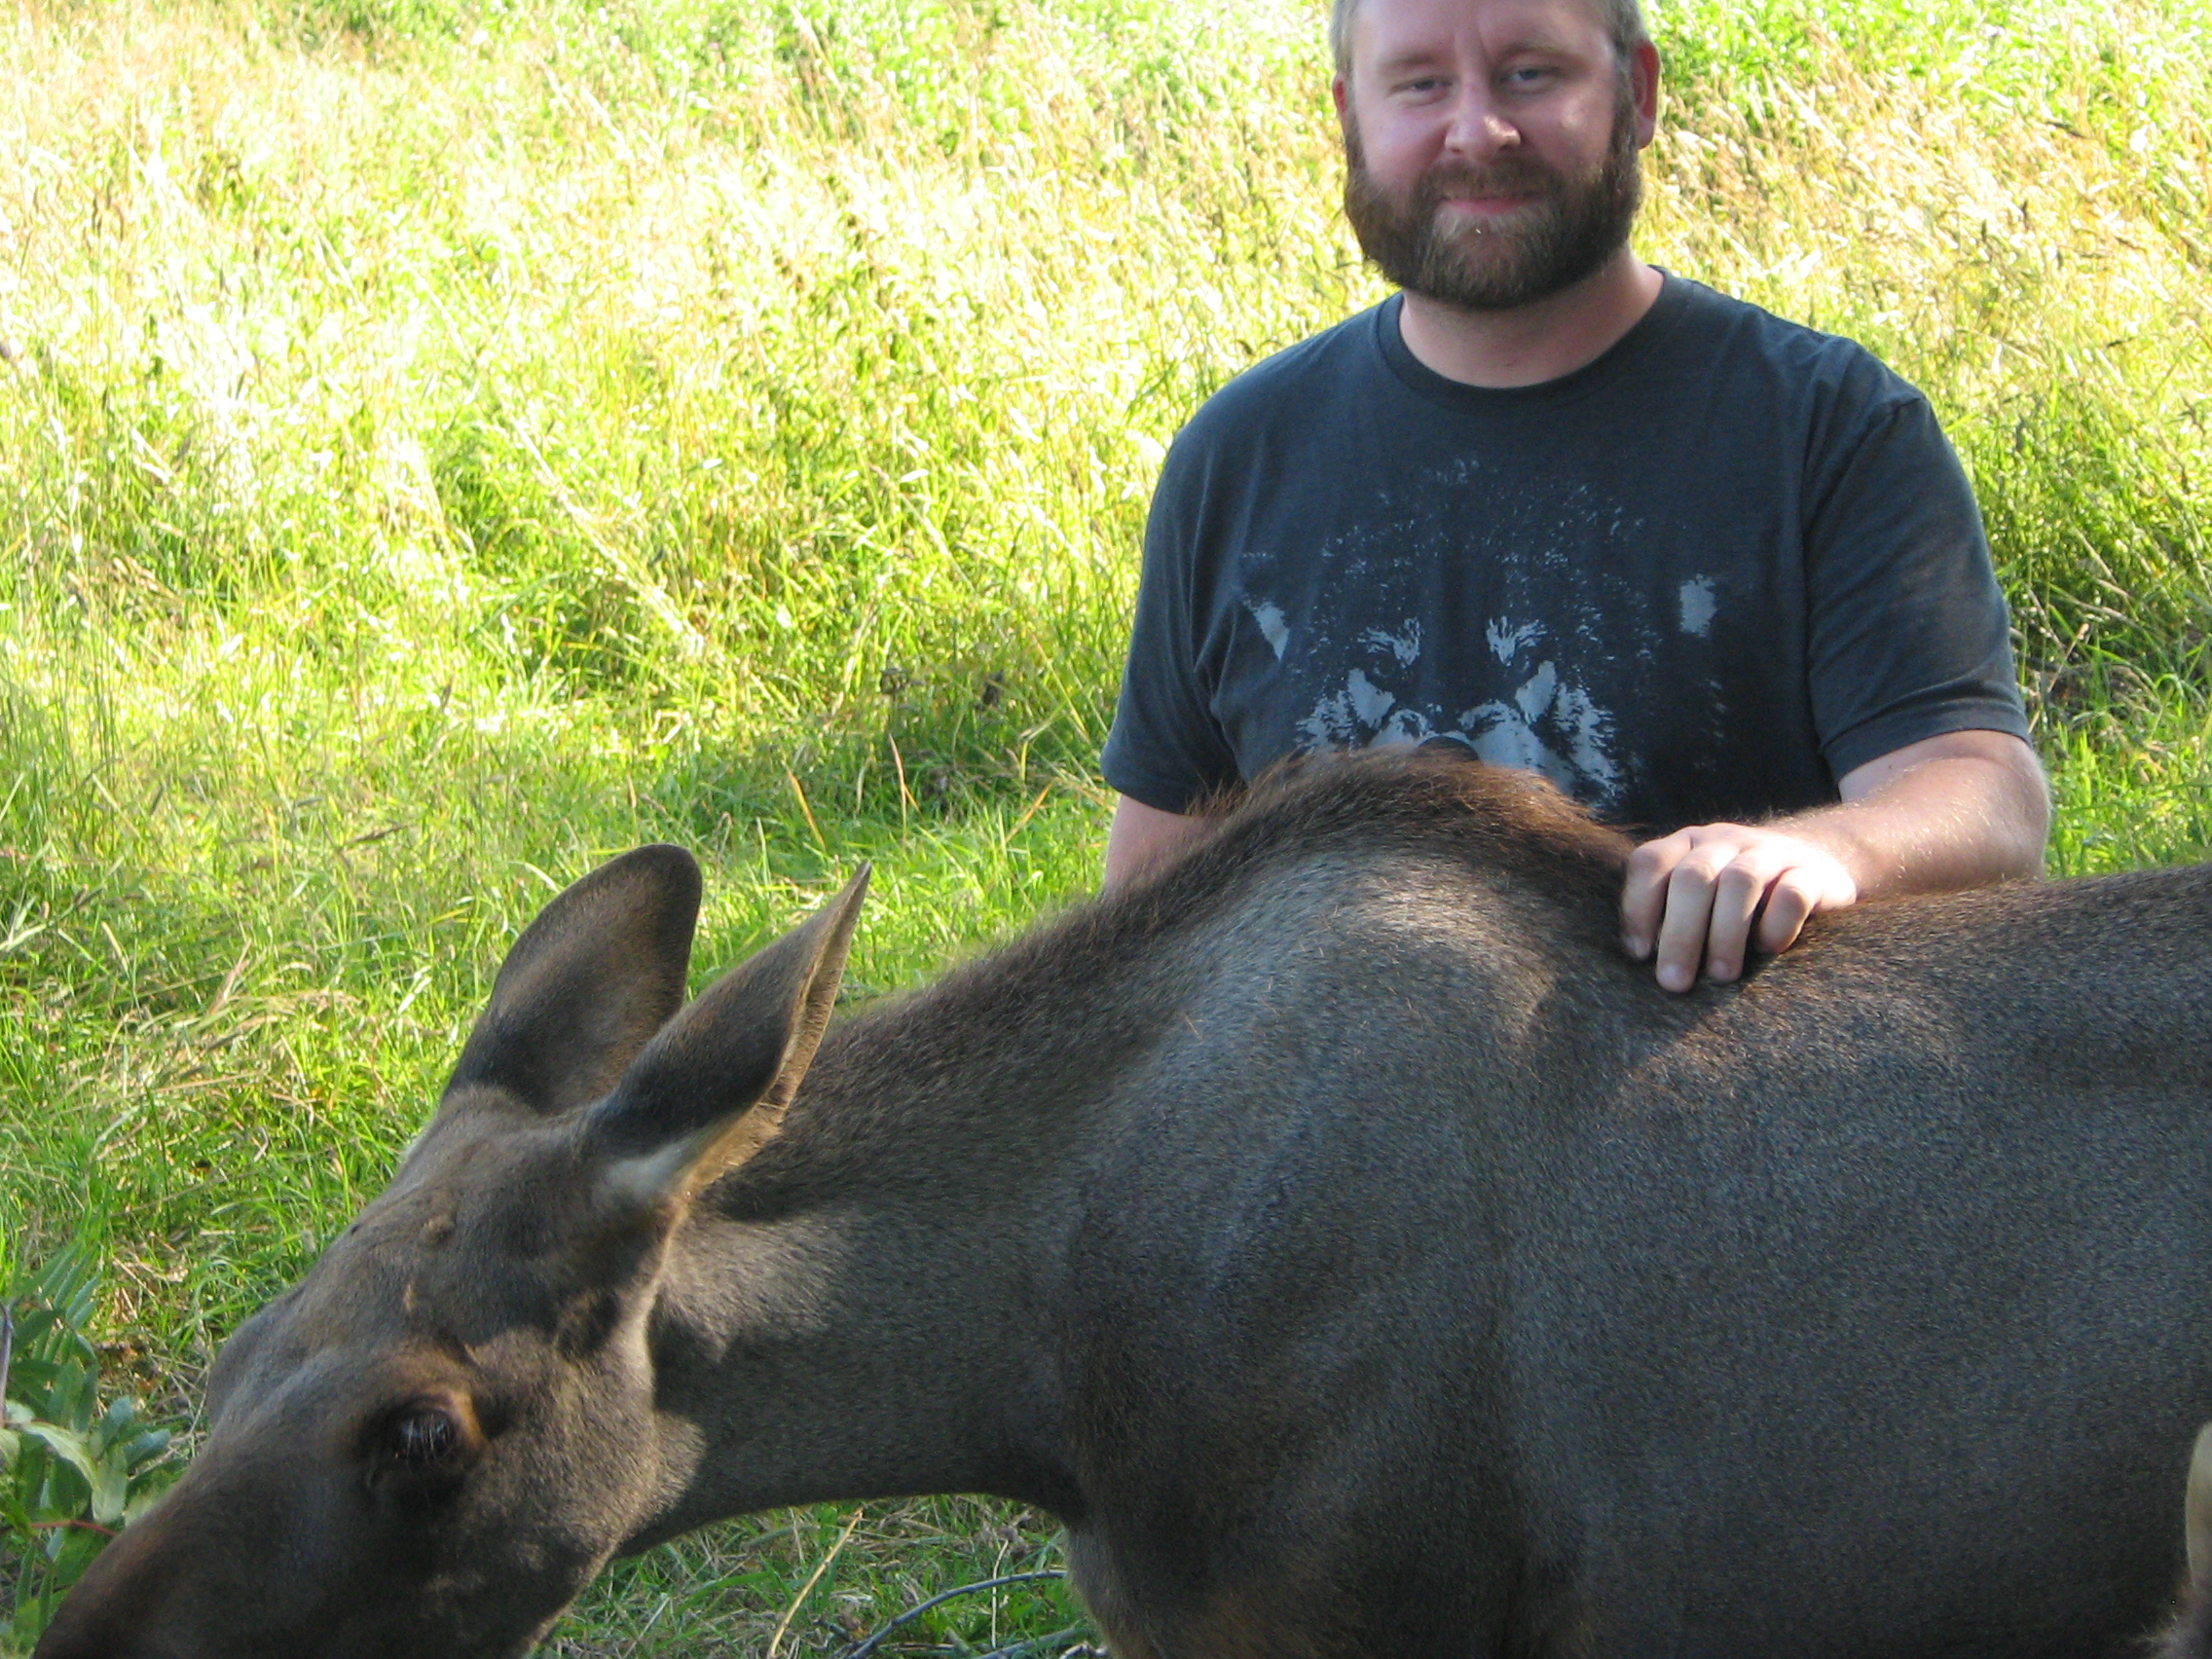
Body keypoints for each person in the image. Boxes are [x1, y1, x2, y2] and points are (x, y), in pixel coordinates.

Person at [1097, 0, 2048, 992]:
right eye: (1420, 84)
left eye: (1530, 73)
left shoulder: (1828, 428)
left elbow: (1982, 793)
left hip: (1726, 1071)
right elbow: (1149, 915)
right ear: (1351, 117)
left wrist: (1823, 852)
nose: (1477, 132)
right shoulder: (1236, 457)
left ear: (1636, 93)